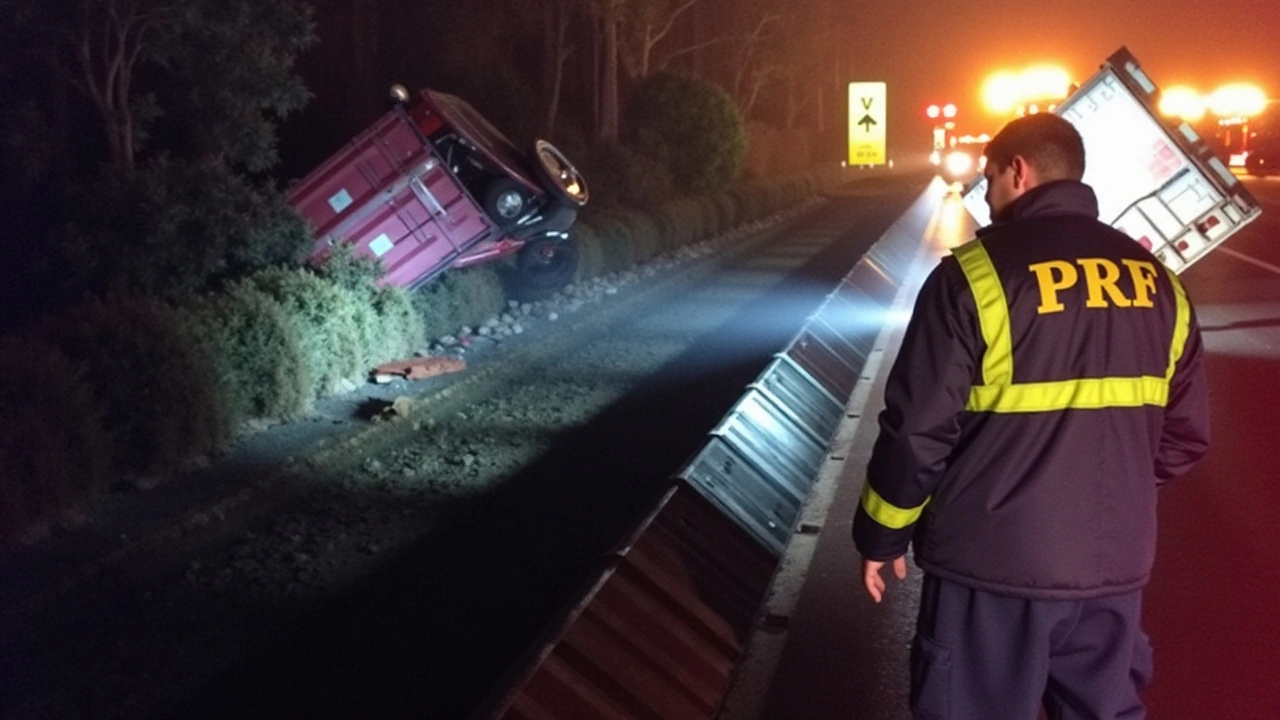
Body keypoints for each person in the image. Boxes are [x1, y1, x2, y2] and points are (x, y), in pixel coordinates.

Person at [851, 112, 1210, 720]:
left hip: (992, 571)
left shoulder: (974, 278)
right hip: (1114, 570)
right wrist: (1110, 498)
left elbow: (917, 434)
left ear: (1017, 172)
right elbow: (1185, 437)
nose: (985, 199)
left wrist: (881, 535)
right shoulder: (1161, 283)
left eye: (987, 180)